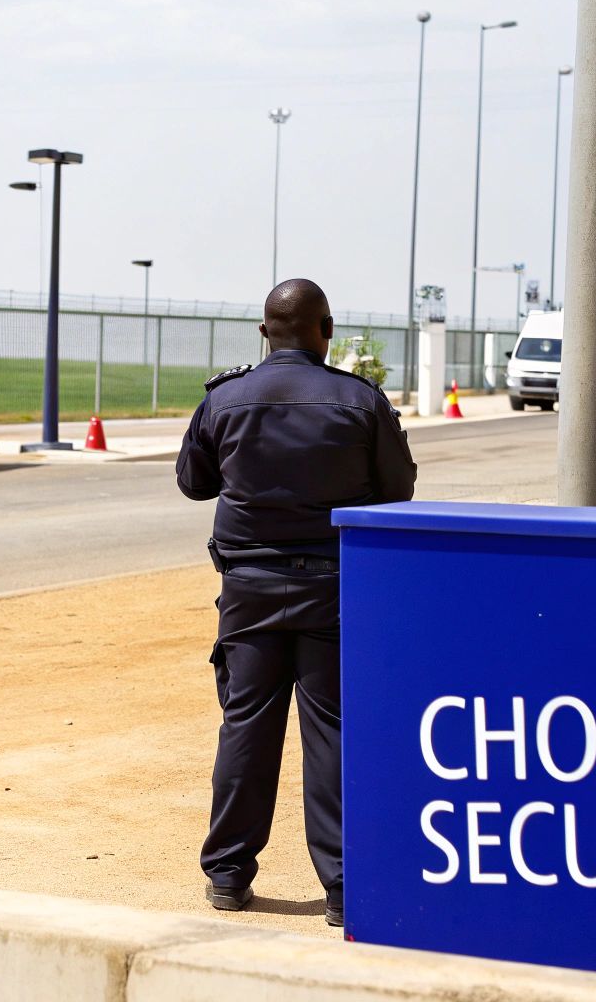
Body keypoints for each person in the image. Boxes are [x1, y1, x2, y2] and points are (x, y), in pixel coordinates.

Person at [175, 278, 417, 928]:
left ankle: (227, 876)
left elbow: (193, 483)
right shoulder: (359, 401)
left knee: (245, 727)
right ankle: (342, 891)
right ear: (327, 330)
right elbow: (397, 491)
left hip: (248, 593)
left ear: (263, 332)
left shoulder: (225, 399)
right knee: (331, 732)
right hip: (331, 593)